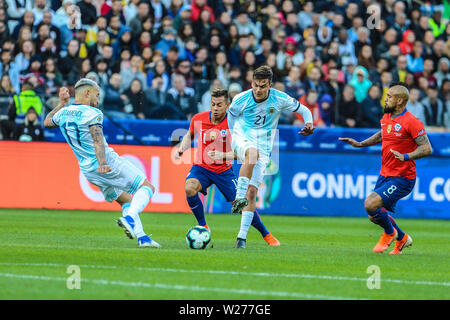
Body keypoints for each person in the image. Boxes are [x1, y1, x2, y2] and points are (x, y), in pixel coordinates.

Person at [43, 79, 161, 248]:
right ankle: (129, 218)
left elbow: (47, 122)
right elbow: (97, 140)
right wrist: (103, 163)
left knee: (125, 199)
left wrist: (61, 104)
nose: (98, 101)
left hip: (88, 171)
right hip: (105, 164)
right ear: (87, 93)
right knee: (147, 187)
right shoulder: (92, 114)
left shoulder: (64, 113)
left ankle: (143, 238)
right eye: (97, 95)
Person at [175, 88, 280, 246]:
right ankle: (203, 225)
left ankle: (266, 234)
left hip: (223, 171)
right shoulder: (198, 118)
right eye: (213, 104)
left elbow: (245, 155)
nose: (215, 108)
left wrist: (222, 156)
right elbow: (190, 134)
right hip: (201, 167)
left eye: (219, 105)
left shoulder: (236, 125)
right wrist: (182, 148)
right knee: (189, 188)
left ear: (227, 105)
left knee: (242, 204)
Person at [339, 82, 433, 254]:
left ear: (399, 101)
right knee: (373, 214)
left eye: (389, 96)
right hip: (386, 174)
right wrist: (360, 144)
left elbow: (427, 148)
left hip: (403, 177)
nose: (386, 99)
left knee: (370, 204)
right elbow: (383, 134)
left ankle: (390, 233)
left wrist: (406, 156)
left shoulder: (411, 122)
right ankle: (402, 238)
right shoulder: (387, 117)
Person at [227, 65, 314, 248]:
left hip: (265, 147)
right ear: (251, 83)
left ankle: (241, 238)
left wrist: (309, 123)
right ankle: (237, 197)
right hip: (243, 138)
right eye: (256, 85)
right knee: (251, 154)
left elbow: (304, 110)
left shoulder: (279, 98)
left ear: (270, 85)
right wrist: (234, 137)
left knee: (253, 193)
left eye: (263, 86)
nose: (258, 90)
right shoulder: (241, 99)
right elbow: (231, 116)